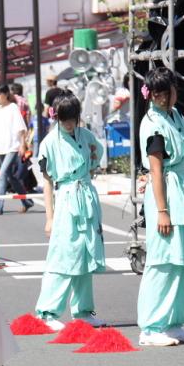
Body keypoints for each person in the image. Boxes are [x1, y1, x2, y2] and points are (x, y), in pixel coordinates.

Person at [137, 67, 184, 346]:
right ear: (150, 95)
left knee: (179, 260)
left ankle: (173, 323)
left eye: (167, 92)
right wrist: (162, 210)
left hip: (180, 187)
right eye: (158, 94)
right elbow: (155, 170)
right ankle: (151, 327)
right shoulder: (153, 124)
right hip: (166, 191)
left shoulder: (174, 115)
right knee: (163, 260)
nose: (163, 99)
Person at [33, 92, 106, 331]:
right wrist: (49, 217)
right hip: (66, 198)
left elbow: (97, 156)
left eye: (72, 118)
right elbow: (47, 182)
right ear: (56, 117)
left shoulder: (86, 136)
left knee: (84, 256)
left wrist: (91, 170)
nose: (68, 124)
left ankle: (83, 311)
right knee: (63, 256)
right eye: (64, 119)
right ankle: (48, 311)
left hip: (86, 195)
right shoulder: (49, 143)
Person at [0, 84, 33, 215]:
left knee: (1, 175)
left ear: (6, 94)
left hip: (12, 146)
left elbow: (20, 128)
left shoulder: (13, 108)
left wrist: (23, 145)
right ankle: (27, 201)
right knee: (10, 177)